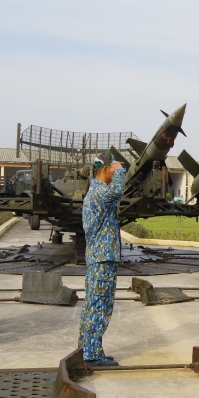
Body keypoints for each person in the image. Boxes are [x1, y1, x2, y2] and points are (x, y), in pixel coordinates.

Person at [79, 151, 126, 366]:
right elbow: (117, 191)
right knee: (99, 306)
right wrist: (121, 171)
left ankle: (89, 349)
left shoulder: (95, 192)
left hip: (100, 257)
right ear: (106, 170)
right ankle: (91, 354)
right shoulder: (99, 192)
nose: (115, 172)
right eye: (113, 169)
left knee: (94, 305)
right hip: (102, 258)